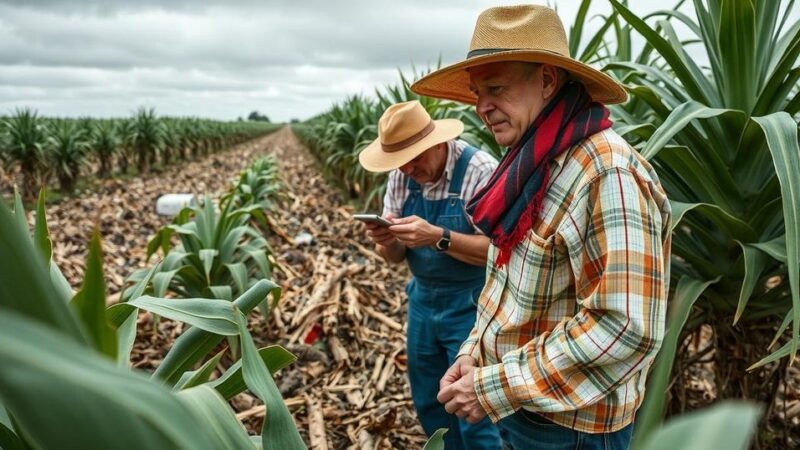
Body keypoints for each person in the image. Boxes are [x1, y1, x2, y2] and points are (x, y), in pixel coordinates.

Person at [411, 5, 672, 450]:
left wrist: (494, 386)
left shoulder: (606, 172)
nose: (481, 107)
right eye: (476, 93)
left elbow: (626, 325)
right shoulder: (531, 163)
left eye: (495, 88)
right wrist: (473, 353)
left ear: (548, 80)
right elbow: (504, 285)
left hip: (572, 429)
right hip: (524, 410)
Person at [358, 100, 502, 450]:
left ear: (437, 143)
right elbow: (393, 258)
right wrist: (385, 241)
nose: (408, 168)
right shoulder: (401, 177)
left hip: (473, 304)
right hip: (422, 300)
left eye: (415, 158)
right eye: (399, 161)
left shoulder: (481, 171)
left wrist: (437, 237)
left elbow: (502, 254)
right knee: (430, 400)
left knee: (473, 410)